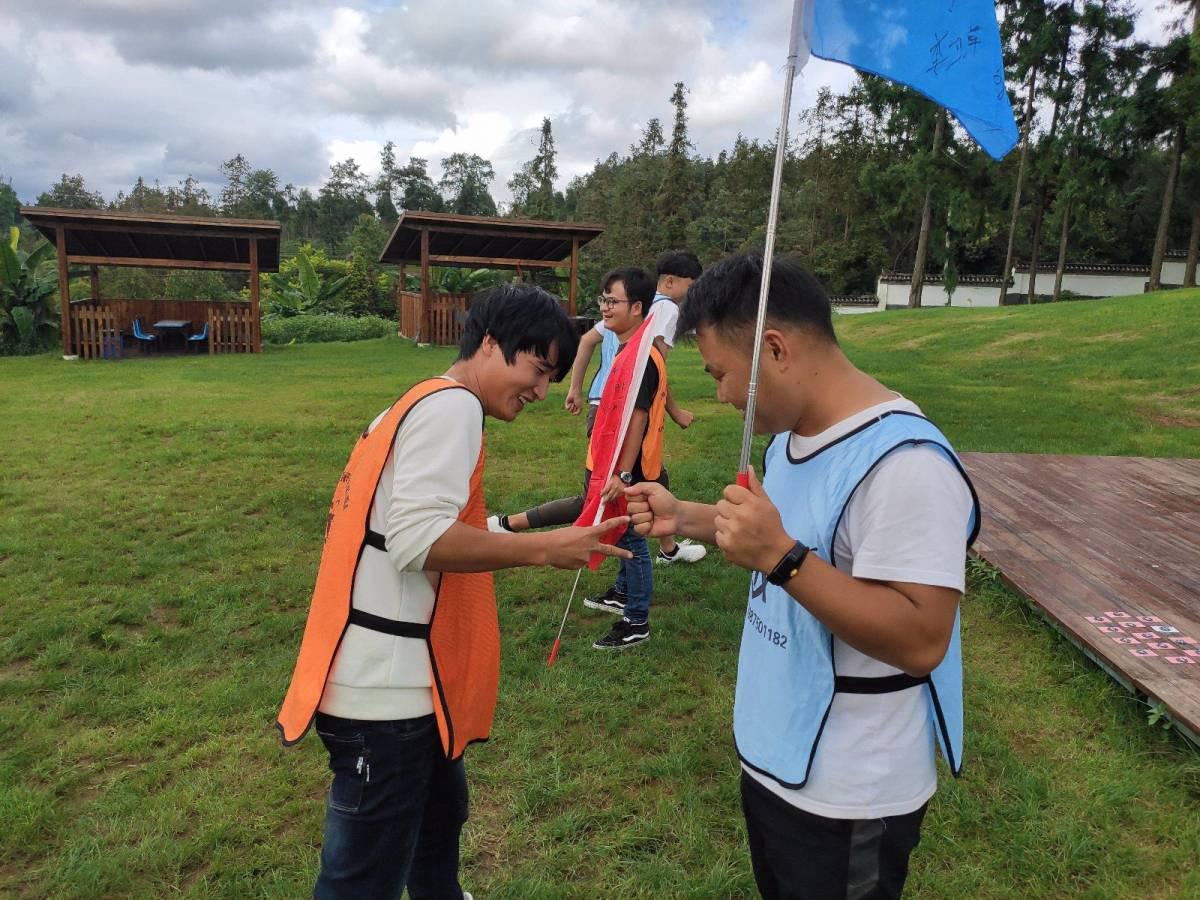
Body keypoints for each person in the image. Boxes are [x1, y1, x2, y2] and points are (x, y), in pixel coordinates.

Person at [625, 253, 980, 899]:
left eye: (721, 375)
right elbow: (782, 536)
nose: (721, 396)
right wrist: (686, 516)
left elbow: (922, 637)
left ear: (775, 349)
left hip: (849, 794)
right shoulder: (794, 439)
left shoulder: (906, 465)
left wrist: (783, 559)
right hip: (780, 759)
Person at [275, 284, 631, 899]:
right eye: (537, 369)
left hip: (407, 687)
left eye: (551, 377)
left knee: (438, 825)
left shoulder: (422, 400)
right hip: (385, 700)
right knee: (360, 879)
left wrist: (524, 526)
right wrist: (545, 550)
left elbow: (406, 527)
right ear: (490, 343)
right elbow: (417, 541)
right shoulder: (454, 408)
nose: (541, 391)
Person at [490, 250, 707, 566]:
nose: (605, 307)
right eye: (692, 284)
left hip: (607, 406)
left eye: (610, 301)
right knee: (604, 498)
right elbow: (653, 374)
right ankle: (509, 524)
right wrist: (672, 412)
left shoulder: (630, 311)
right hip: (618, 412)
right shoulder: (661, 310)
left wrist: (577, 388)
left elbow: (594, 345)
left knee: (647, 483)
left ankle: (666, 549)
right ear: (671, 281)